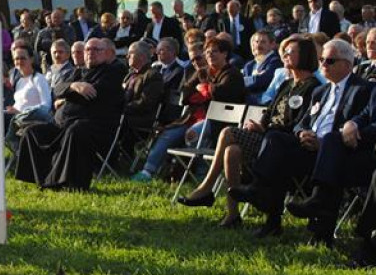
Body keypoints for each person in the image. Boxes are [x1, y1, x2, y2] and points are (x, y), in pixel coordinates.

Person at [231, 39, 372, 238]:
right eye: (321, 59)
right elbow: (301, 123)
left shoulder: (362, 90)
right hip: (308, 147)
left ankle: (318, 218)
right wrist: (301, 133)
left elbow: (358, 125)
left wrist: (323, 142)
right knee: (276, 140)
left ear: (347, 65)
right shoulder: (320, 91)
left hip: (336, 152)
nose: (323, 64)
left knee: (324, 144)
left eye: (330, 61)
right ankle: (262, 197)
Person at [177, 35, 321, 227]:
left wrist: (266, 129)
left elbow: (301, 123)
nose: (285, 55)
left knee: (228, 132)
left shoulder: (313, 87)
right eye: (284, 52)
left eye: (290, 52)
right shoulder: (287, 84)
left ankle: (206, 187)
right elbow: (270, 113)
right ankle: (233, 214)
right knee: (231, 151)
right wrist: (260, 125)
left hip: (284, 144)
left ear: (304, 56)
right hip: (267, 137)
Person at [16, 37, 126, 190]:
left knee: (76, 131)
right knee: (32, 131)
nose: (91, 53)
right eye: (88, 49)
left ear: (106, 54)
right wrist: (74, 85)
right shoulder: (78, 72)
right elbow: (57, 89)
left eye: (96, 50)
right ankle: (40, 178)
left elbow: (93, 94)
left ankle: (63, 182)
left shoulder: (113, 72)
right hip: (62, 124)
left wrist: (69, 93)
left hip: (94, 127)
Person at [131, 38, 246, 181]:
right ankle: (148, 171)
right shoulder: (203, 72)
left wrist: (204, 89)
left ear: (225, 54)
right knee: (168, 134)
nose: (210, 55)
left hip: (218, 122)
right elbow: (185, 93)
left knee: (193, 134)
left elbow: (222, 95)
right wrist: (203, 92)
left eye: (215, 52)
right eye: (208, 52)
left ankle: (201, 174)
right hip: (192, 118)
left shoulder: (232, 74)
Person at [4, 40, 51, 156]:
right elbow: (19, 103)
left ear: (31, 59)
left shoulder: (39, 79)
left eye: (22, 58)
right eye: (16, 59)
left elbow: (46, 106)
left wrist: (20, 112)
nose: (19, 61)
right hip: (16, 118)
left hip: (32, 119)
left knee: (0, 120)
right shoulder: (19, 81)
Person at [243, 31, 281, 105]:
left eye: (263, 42)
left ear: (272, 45)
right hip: (247, 101)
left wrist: (246, 80)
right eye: (257, 42)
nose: (258, 45)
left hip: (263, 103)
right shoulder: (249, 65)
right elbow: (242, 84)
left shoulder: (275, 61)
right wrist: (255, 77)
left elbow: (264, 80)